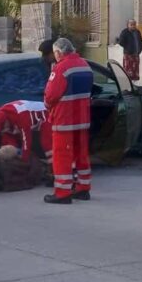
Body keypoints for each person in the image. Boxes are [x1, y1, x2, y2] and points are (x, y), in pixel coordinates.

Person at [43, 38, 93, 204]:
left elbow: (51, 95)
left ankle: (63, 193)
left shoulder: (61, 68)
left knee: (62, 156)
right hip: (83, 119)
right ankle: (83, 188)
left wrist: (48, 106)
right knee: (82, 154)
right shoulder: (85, 65)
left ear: (58, 52)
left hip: (64, 119)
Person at [0, 100, 54, 190]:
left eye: (3, 127)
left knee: (48, 145)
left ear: (6, 121)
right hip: (27, 118)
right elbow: (7, 138)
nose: (2, 130)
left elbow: (26, 140)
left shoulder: (21, 116)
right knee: (11, 136)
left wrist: (24, 160)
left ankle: (54, 175)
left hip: (46, 114)